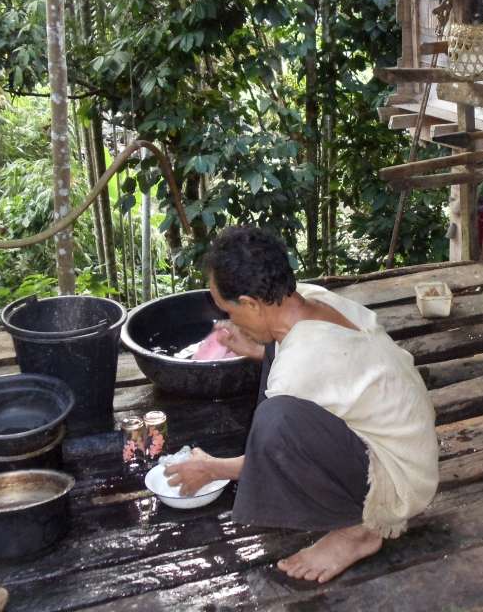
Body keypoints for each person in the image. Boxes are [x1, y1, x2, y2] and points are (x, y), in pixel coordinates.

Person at [165, 226, 439, 584]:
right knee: (278, 394)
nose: (229, 320)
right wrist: (253, 349)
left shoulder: (298, 369)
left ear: (250, 303)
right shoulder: (309, 298)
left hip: (398, 483)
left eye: (228, 310)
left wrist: (211, 468)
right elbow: (320, 367)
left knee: (276, 421)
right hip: (411, 444)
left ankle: (360, 529)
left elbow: (273, 448)